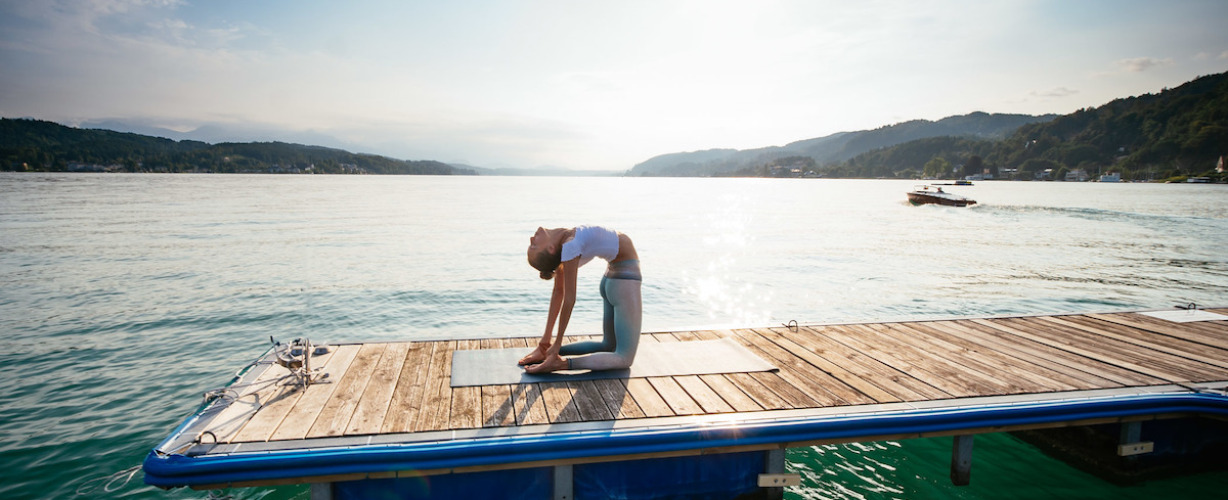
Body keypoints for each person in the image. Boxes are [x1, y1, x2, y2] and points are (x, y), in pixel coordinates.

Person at [518, 225, 642, 374]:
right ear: (550, 248)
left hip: (614, 279)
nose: (532, 238)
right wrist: (556, 342)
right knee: (624, 358)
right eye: (534, 245)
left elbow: (559, 292)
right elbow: (569, 299)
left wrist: (546, 343)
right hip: (624, 282)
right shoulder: (570, 245)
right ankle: (561, 363)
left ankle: (547, 353)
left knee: (608, 345)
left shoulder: (566, 245)